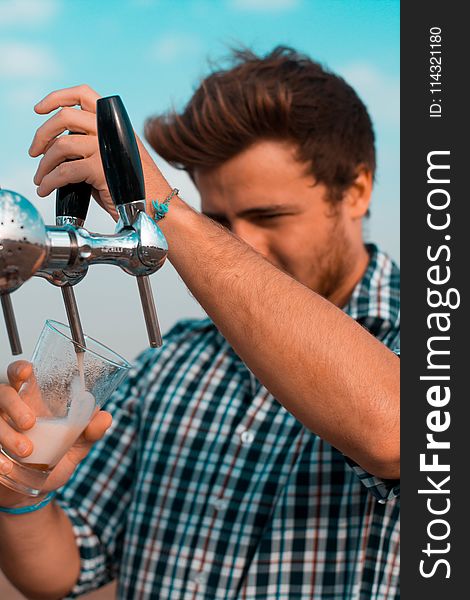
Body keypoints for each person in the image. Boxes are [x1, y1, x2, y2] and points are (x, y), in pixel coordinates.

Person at [0, 47, 400, 599]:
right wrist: (22, 495)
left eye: (268, 216)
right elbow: (64, 570)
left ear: (356, 190)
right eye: (220, 220)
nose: (245, 244)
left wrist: (162, 208)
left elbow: (396, 432)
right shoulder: (171, 362)